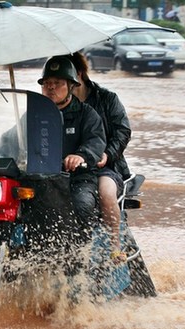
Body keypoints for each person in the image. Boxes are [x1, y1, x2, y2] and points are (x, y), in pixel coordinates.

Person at [61, 52, 132, 263]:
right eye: (50, 83)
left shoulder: (107, 99)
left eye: (64, 80)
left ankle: (114, 246)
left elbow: (123, 131)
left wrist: (106, 154)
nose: (55, 87)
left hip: (104, 166)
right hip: (65, 167)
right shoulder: (53, 105)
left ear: (79, 75)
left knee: (105, 192)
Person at [37, 56, 106, 226]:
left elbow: (95, 141)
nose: (50, 87)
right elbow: (12, 138)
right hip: (40, 177)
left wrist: (80, 156)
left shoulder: (86, 114)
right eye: (46, 83)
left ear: (71, 86)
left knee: (81, 205)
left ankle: (80, 250)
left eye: (57, 82)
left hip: (78, 178)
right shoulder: (34, 114)